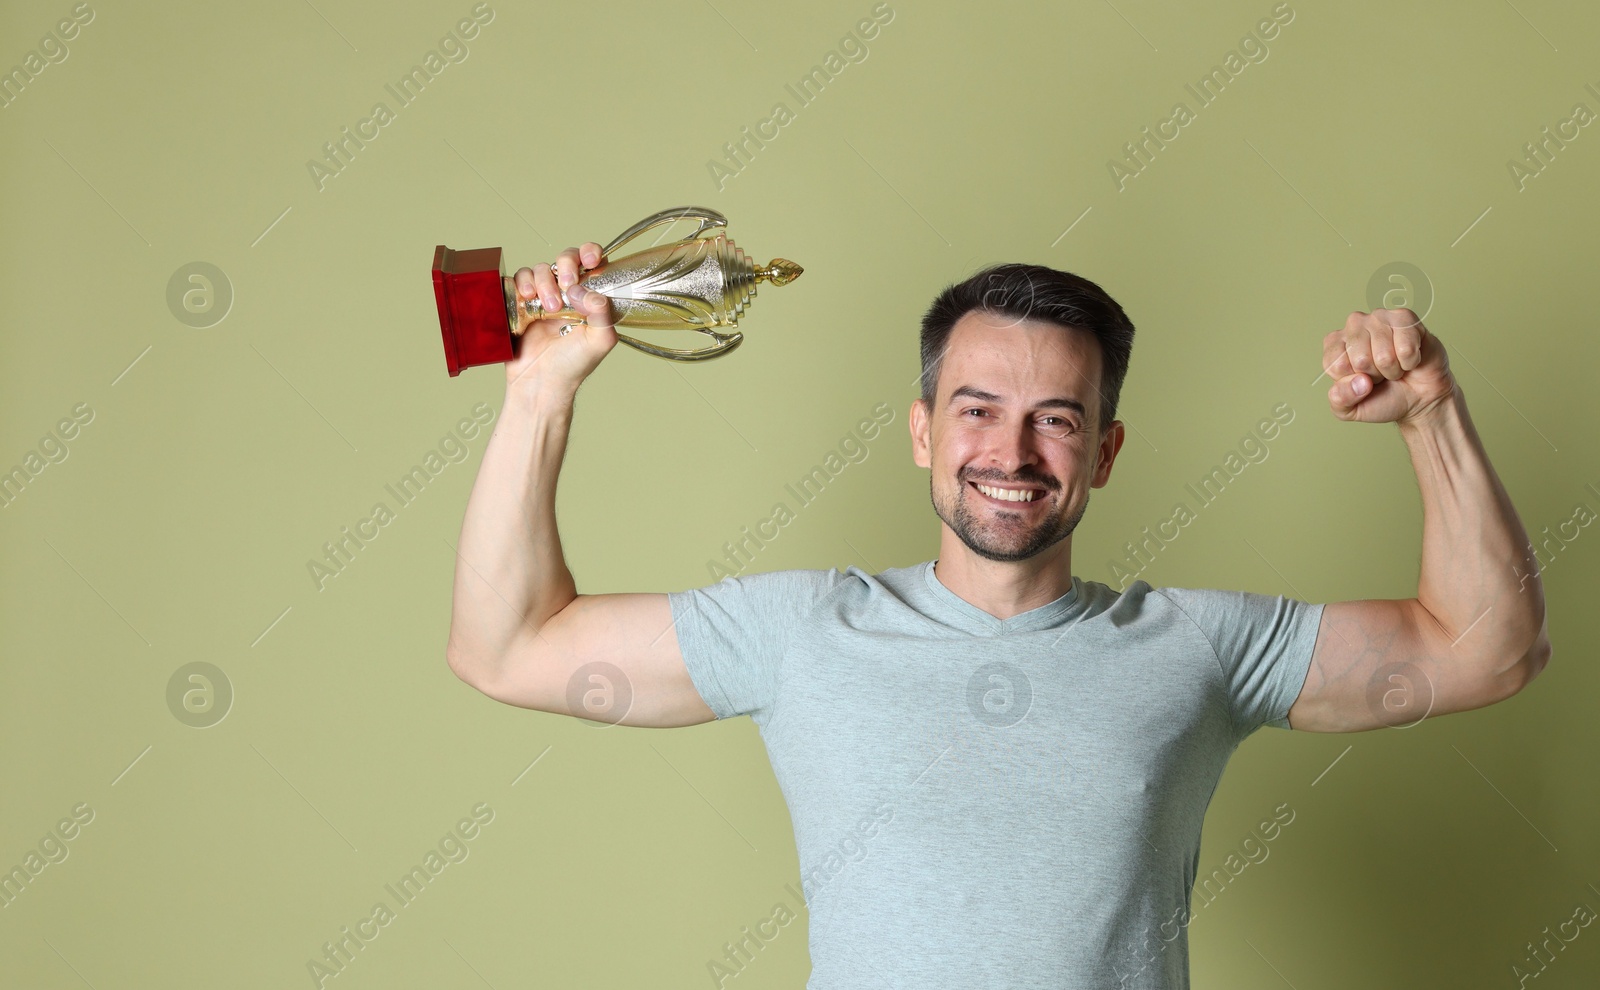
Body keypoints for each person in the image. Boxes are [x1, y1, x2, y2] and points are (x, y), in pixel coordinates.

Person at [445, 243, 1552, 989]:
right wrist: (539, 393)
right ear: (924, 432)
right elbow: (507, 648)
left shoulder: (1199, 649)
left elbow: (1488, 650)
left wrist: (1430, 417)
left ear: (1105, 453)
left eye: (1056, 419)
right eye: (977, 411)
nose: (1011, 456)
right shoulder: (796, 634)